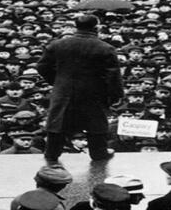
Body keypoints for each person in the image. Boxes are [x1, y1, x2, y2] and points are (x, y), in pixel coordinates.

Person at [36, 14, 122, 163]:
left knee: (58, 123)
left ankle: (51, 154)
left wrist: (56, 81)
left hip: (63, 91)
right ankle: (99, 153)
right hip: (93, 93)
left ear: (76, 26)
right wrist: (115, 95)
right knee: (95, 125)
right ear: (96, 27)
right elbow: (112, 76)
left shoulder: (57, 45)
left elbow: (42, 67)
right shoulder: (105, 48)